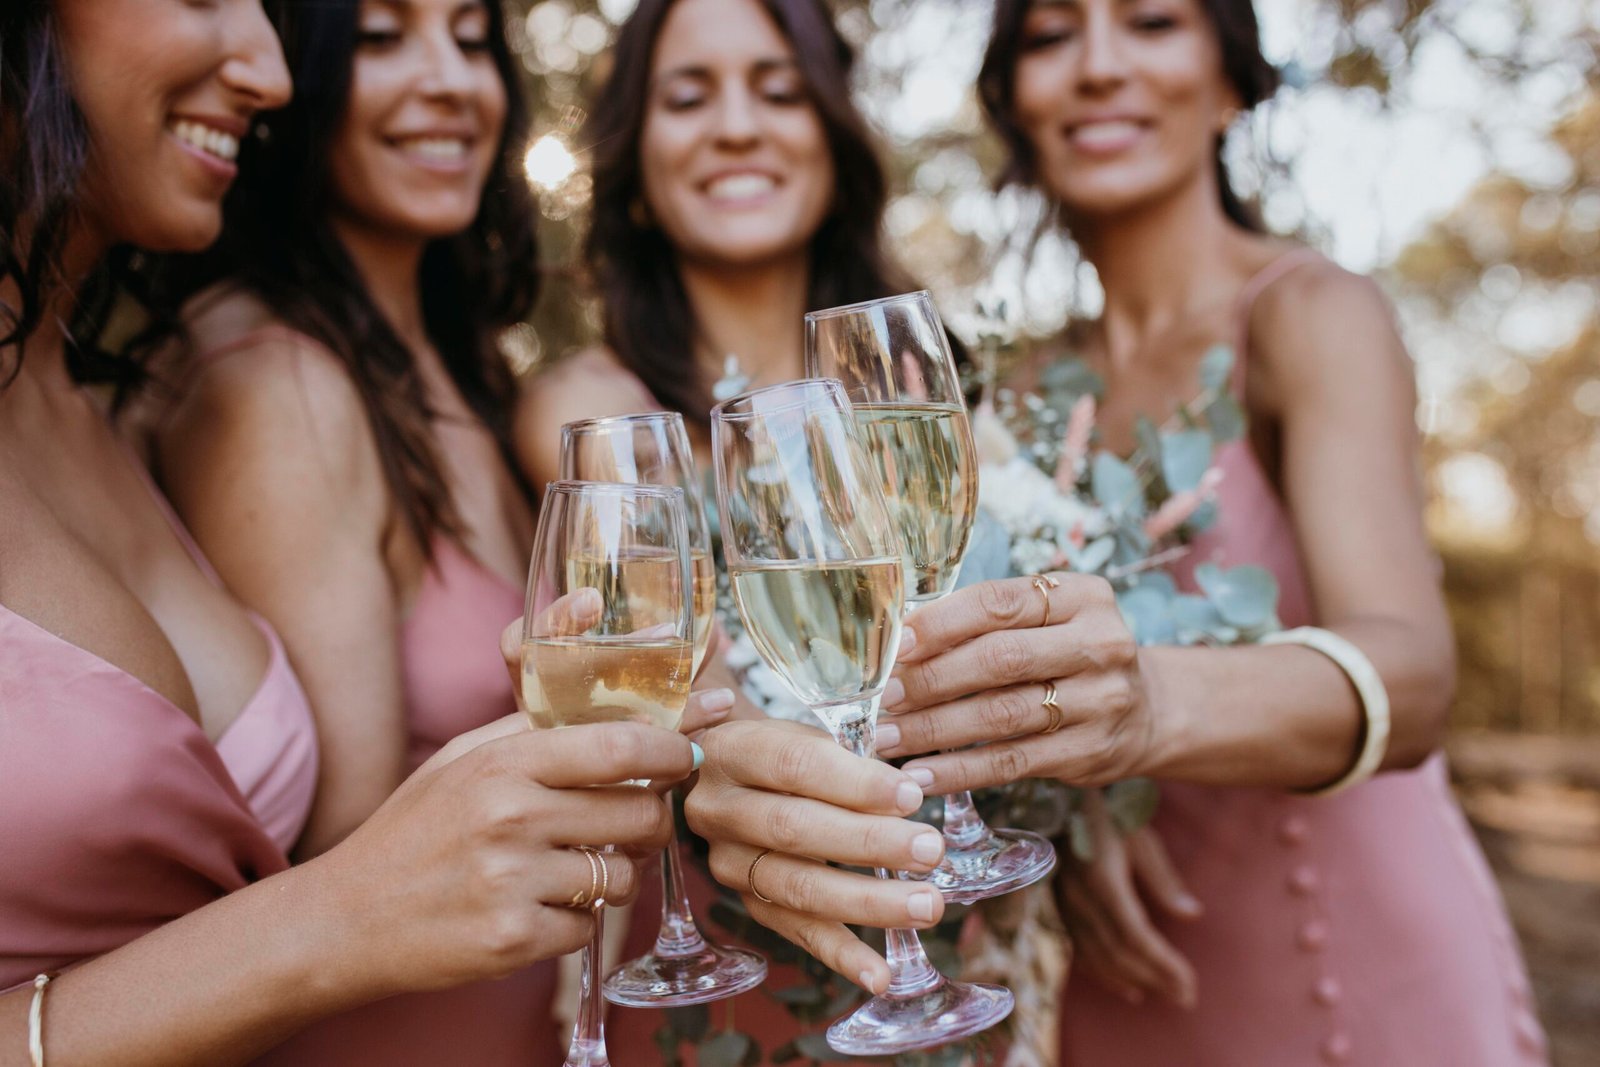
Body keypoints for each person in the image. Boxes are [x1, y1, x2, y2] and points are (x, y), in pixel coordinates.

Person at [0, 2, 692, 1064]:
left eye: (473, 36)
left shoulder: (76, 400)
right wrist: (343, 908)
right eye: (375, 37)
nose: (269, 74)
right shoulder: (272, 378)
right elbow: (351, 873)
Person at [859, 1, 1544, 1063]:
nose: (1097, 66)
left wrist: (1147, 705)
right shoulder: (1014, 394)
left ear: (1229, 81)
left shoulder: (1310, 314)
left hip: (1346, 969)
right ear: (1012, 103)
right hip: (1122, 986)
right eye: (1049, 36)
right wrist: (1063, 827)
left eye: (1149, 21)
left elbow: (1413, 677)